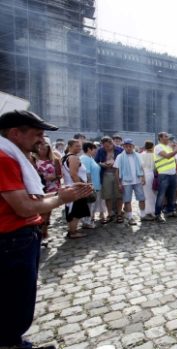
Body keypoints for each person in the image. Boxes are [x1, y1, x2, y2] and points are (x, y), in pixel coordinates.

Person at [0, 110, 92, 349]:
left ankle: (13, 342)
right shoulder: (4, 158)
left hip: (16, 239)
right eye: (37, 134)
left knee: (14, 301)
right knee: (14, 302)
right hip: (11, 241)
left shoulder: (11, 155)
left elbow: (30, 197)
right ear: (14, 133)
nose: (41, 140)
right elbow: (23, 207)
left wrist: (58, 195)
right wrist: (61, 198)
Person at [154, 132, 177, 223]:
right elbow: (168, 156)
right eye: (166, 136)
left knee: (171, 195)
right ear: (160, 138)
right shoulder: (158, 147)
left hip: (172, 174)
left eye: (168, 136)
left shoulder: (168, 147)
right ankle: (157, 214)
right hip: (164, 174)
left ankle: (170, 211)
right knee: (161, 195)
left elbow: (174, 158)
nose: (168, 138)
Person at [62, 140, 92, 238]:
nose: (79, 148)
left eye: (80, 146)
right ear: (70, 146)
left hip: (69, 186)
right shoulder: (73, 157)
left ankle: (72, 230)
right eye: (76, 146)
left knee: (71, 209)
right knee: (76, 211)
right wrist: (82, 186)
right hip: (76, 188)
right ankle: (73, 232)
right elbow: (73, 174)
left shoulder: (65, 157)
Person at [114, 139, 146, 225]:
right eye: (126, 146)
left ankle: (143, 215)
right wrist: (119, 183)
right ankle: (130, 217)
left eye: (130, 146)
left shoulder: (138, 155)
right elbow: (116, 171)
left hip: (138, 180)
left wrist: (143, 177)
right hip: (125, 182)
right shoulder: (120, 157)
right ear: (123, 146)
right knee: (127, 200)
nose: (128, 148)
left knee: (142, 198)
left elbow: (142, 167)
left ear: (133, 146)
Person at [34, 141, 61, 242]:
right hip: (39, 187)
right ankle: (41, 233)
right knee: (41, 211)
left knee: (47, 212)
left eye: (44, 149)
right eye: (40, 148)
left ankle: (44, 232)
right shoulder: (33, 159)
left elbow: (60, 175)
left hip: (52, 187)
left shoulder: (55, 160)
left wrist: (54, 177)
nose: (42, 151)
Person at [95, 136, 123, 224]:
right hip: (106, 174)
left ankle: (119, 214)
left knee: (119, 195)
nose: (106, 148)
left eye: (107, 146)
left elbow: (124, 162)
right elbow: (96, 161)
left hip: (118, 174)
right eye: (104, 146)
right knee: (108, 195)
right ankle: (110, 214)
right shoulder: (100, 150)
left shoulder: (120, 150)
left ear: (112, 143)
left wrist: (115, 163)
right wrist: (102, 164)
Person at [80, 141, 104, 228]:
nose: (96, 151)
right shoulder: (85, 158)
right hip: (91, 186)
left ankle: (89, 220)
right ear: (89, 149)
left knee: (92, 204)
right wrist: (90, 186)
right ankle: (87, 222)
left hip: (95, 185)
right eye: (94, 149)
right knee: (89, 205)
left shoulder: (90, 158)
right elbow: (87, 174)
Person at [140, 141, 157, 220]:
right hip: (151, 174)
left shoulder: (141, 154)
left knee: (145, 193)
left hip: (143, 175)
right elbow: (155, 167)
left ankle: (146, 210)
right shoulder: (154, 155)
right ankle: (152, 210)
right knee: (152, 193)